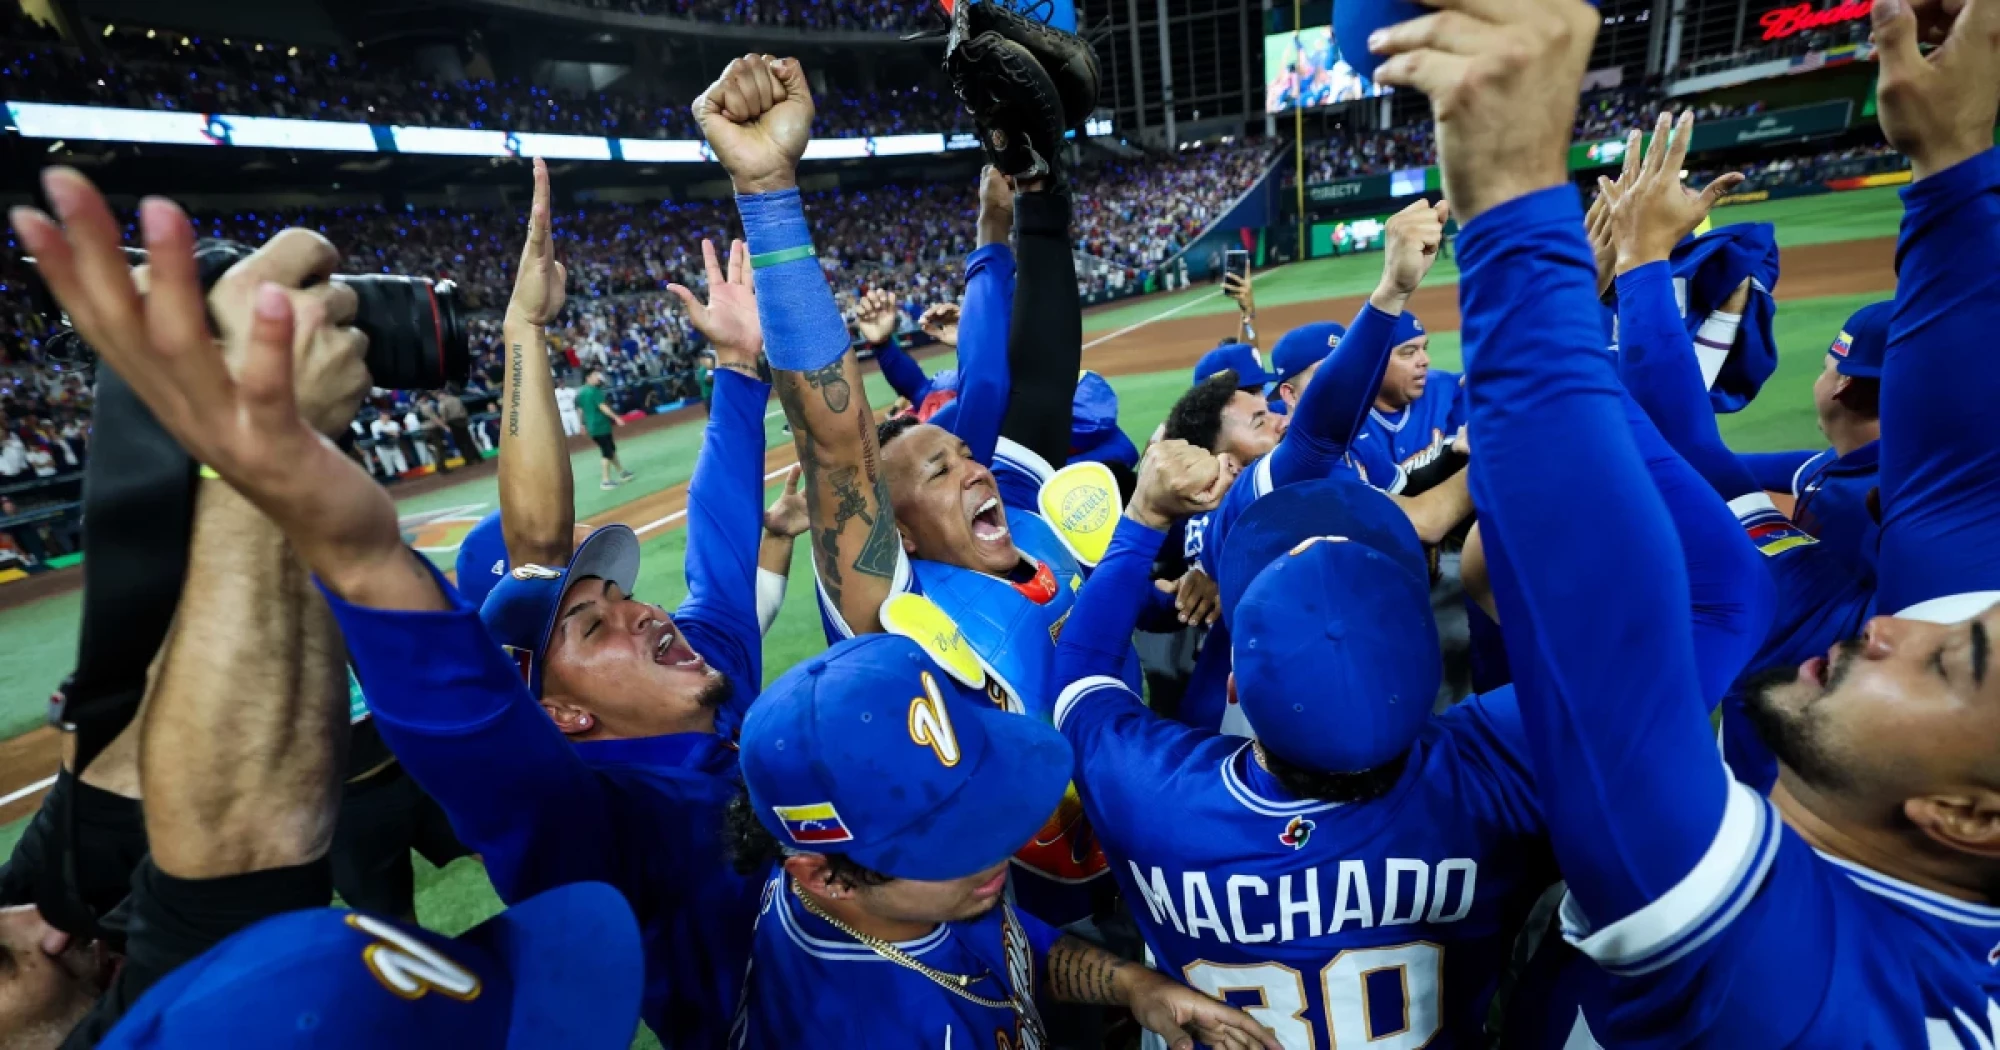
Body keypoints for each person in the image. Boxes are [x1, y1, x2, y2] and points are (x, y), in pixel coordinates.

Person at [1370, 0, 2000, 1039]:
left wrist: (1514, 186)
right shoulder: (1967, 732)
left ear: (1969, 818)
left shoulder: (1799, 994)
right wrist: (1952, 161)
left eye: (1943, 661)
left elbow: (1599, 628)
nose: (1895, 624)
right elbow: (1958, 474)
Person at [7, 167, 645, 1050]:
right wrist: (263, 446)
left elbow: (113, 794)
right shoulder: (168, 1012)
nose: (41, 924)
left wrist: (175, 414)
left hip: (381, 779)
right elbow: (236, 852)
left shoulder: (46, 913)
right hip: (348, 802)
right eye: (0, 964)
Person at [724, 631, 1280, 1050]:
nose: (997, 847)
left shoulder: (896, 894)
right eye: (947, 842)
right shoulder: (861, 1028)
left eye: (978, 803)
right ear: (823, 877)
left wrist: (1135, 986)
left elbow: (1009, 945)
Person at [577, 368, 631, 490]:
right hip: (600, 425)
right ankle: (605, 480)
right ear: (588, 378)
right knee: (606, 452)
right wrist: (616, 417)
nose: (598, 377)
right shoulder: (594, 391)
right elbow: (602, 407)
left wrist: (582, 425)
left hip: (593, 426)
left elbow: (580, 410)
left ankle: (622, 472)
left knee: (610, 449)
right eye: (595, 375)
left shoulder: (581, 392)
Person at [368, 409, 407, 477]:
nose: (385, 417)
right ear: (380, 416)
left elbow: (398, 434)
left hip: (394, 447)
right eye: (384, 415)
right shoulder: (375, 424)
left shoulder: (394, 423)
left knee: (404, 468)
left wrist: (390, 433)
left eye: (387, 415)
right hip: (382, 449)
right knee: (390, 470)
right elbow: (380, 434)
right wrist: (391, 433)